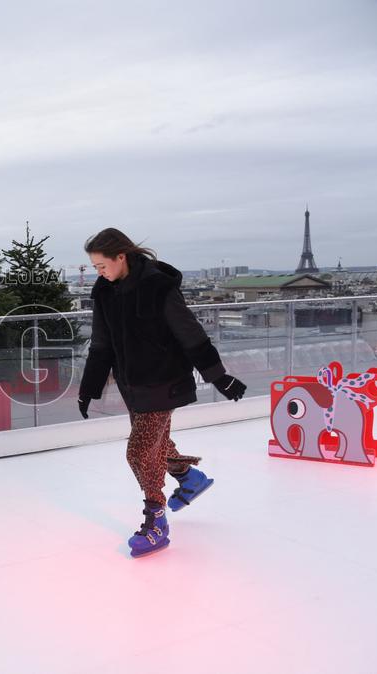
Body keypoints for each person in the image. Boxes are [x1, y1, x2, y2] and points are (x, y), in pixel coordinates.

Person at [77, 228, 246, 558]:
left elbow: (191, 334)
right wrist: (89, 388)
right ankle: (190, 478)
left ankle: (156, 523)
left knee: (139, 452)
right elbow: (101, 345)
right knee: (155, 443)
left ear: (120, 257)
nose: (99, 273)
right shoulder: (104, 291)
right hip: (131, 384)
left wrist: (219, 377)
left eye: (101, 266)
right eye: (95, 267)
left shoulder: (157, 285)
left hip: (164, 382)